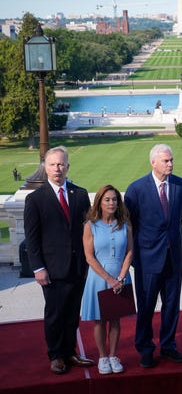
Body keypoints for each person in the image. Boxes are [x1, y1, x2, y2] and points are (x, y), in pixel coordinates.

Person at [24, 146, 94, 375]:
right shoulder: (35, 199)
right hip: (52, 269)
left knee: (73, 312)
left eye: (61, 164)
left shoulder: (80, 194)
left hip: (78, 267)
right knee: (55, 313)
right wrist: (38, 268)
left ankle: (69, 351)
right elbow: (32, 238)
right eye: (53, 164)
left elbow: (88, 231)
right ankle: (56, 356)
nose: (57, 168)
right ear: (45, 167)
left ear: (68, 167)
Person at [124, 144, 182, 369]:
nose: (170, 164)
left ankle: (168, 345)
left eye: (171, 160)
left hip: (173, 258)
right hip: (147, 260)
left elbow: (178, 218)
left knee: (171, 305)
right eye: (166, 161)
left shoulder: (181, 185)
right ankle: (145, 348)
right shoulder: (136, 189)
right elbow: (129, 226)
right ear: (153, 162)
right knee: (146, 307)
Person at [81, 184, 134, 375]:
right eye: (107, 199)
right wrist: (109, 279)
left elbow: (129, 252)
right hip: (98, 278)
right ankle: (103, 358)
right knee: (100, 320)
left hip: (121, 277)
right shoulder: (90, 226)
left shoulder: (125, 224)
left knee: (116, 320)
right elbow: (89, 257)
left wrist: (120, 277)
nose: (111, 203)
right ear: (100, 202)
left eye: (114, 199)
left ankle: (113, 355)